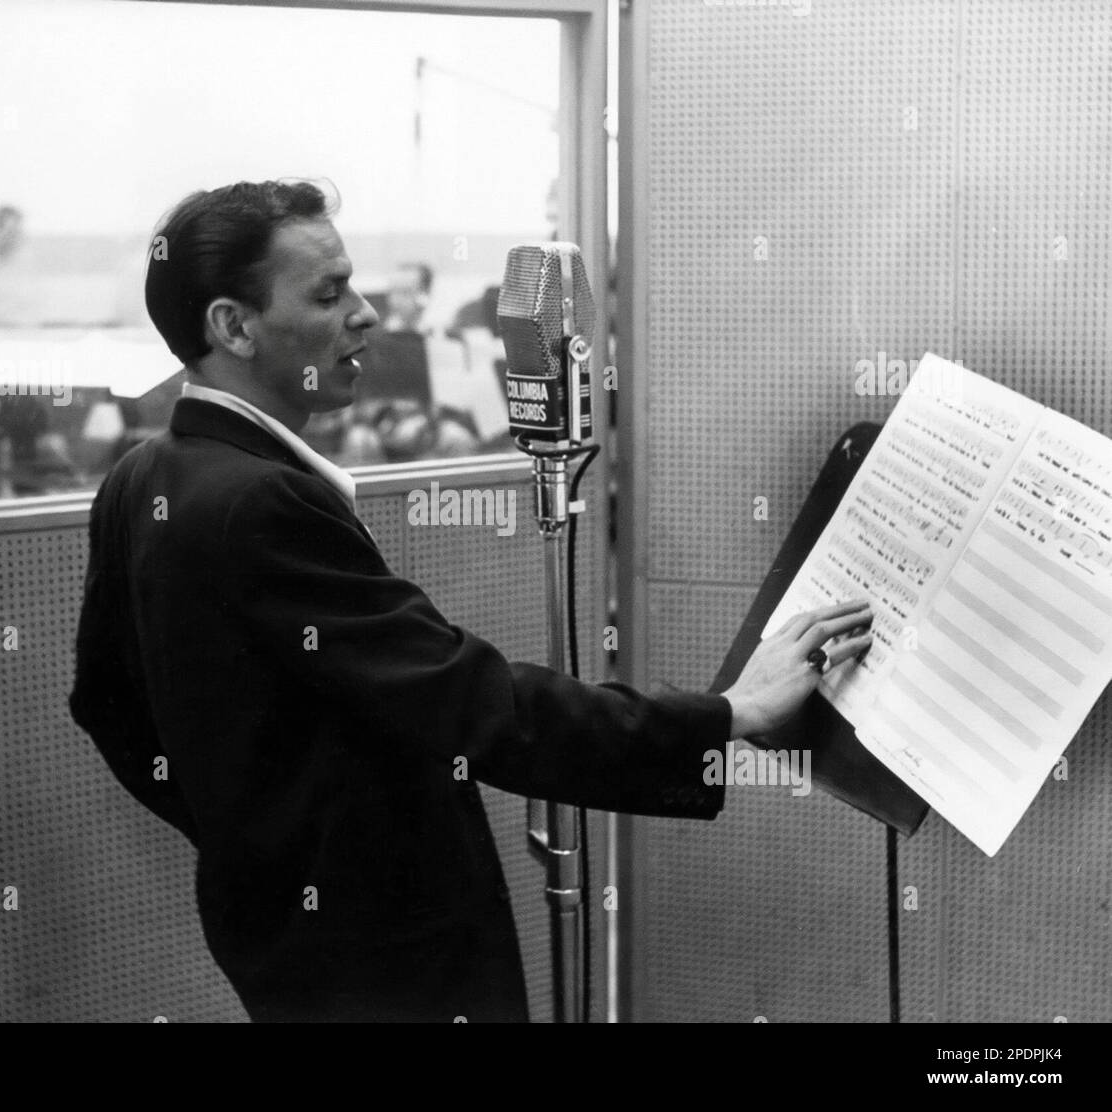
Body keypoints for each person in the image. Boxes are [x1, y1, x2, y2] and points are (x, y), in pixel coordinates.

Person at [68, 179, 872, 1023]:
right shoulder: (261, 506)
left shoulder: (141, 478)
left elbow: (106, 705)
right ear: (232, 326)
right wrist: (728, 715)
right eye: (330, 293)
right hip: (384, 963)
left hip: (280, 941)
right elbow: (467, 699)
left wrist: (249, 838)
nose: (369, 314)